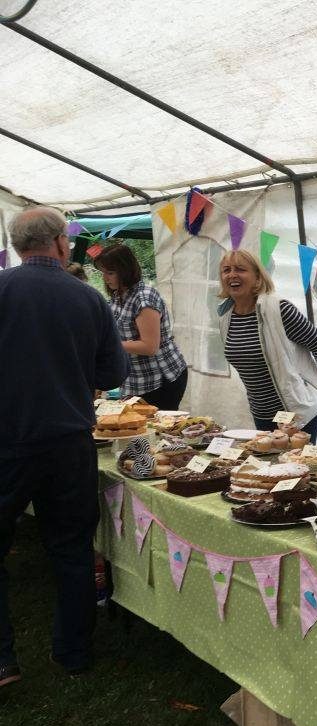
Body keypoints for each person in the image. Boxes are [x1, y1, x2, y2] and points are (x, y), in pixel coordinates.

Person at [0, 207, 128, 684]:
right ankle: (73, 651)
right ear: (58, 243)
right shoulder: (87, 298)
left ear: (17, 246)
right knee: (72, 548)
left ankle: (2, 659)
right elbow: (112, 375)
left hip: (6, 440)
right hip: (69, 442)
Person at [217, 249, 317, 436]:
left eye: (240, 269)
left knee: (295, 463)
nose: (232, 274)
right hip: (261, 412)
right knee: (269, 463)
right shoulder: (225, 315)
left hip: (295, 411)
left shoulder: (278, 309)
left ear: (258, 277)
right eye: (226, 270)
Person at [94, 243, 189, 410]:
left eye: (110, 273)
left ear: (125, 270)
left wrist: (110, 345)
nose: (105, 278)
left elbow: (150, 346)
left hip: (160, 380)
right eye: (103, 273)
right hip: (136, 380)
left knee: (156, 429)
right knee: (139, 432)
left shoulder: (144, 297)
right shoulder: (118, 296)